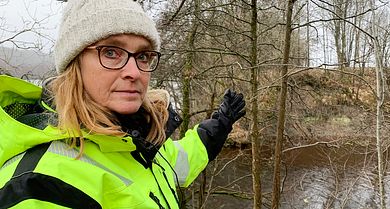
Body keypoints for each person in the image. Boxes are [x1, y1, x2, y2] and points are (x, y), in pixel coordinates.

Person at [0, 0, 245, 208]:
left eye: (143, 55)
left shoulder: (140, 140)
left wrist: (221, 123)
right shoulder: (38, 186)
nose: (134, 72)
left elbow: (181, 160)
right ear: (74, 63)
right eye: (111, 52)